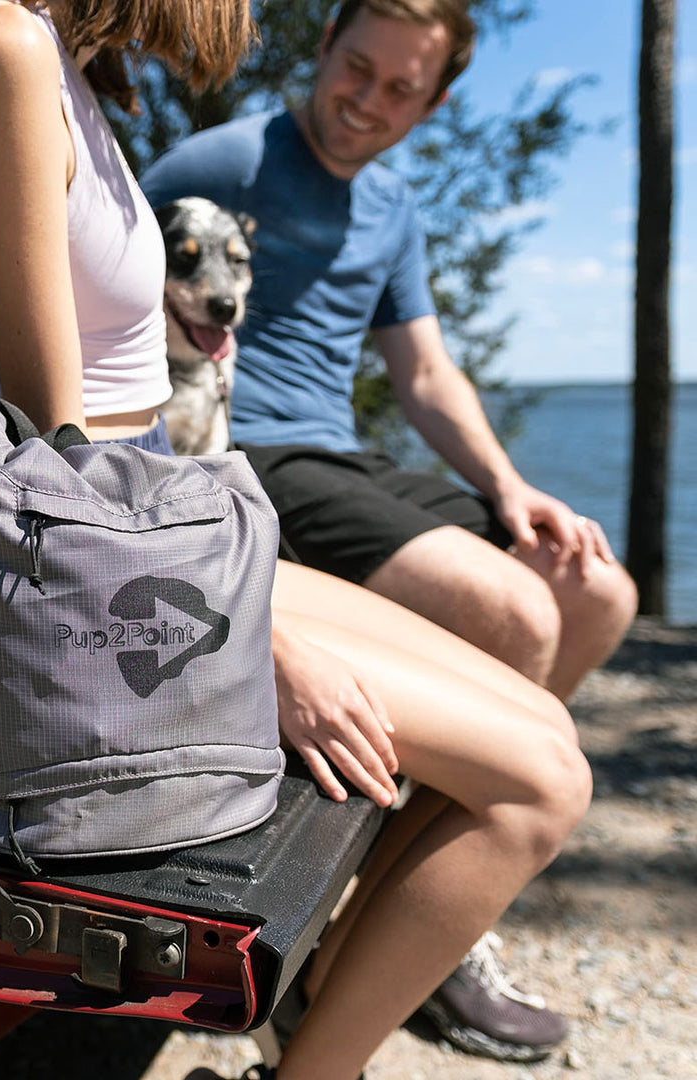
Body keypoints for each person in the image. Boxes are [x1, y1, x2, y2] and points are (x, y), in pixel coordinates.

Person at [0, 3, 592, 1078]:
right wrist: (249, 649)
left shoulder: (67, 74)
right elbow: (53, 439)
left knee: (546, 722)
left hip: (158, 543)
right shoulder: (1, 47)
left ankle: (332, 1006)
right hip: (102, 590)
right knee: (539, 786)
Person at [141, 0, 637, 1059]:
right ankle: (404, 937)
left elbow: (420, 369)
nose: (366, 100)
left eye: (400, 89)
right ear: (323, 50)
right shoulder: (222, 159)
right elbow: (109, 306)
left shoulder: (396, 207)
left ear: (435, 102)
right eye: (354, 69)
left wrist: (510, 488)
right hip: (250, 452)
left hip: (343, 453)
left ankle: (419, 902)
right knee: (513, 611)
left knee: (596, 589)